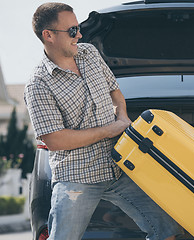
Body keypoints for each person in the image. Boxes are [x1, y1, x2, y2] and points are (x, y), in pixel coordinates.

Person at [24, 3, 183, 240]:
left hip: (120, 167)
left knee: (168, 230)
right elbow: (56, 139)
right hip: (77, 179)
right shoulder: (38, 84)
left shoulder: (88, 53)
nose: (79, 34)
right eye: (71, 30)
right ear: (48, 35)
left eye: (77, 28)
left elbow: (115, 91)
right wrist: (110, 130)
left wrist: (123, 118)